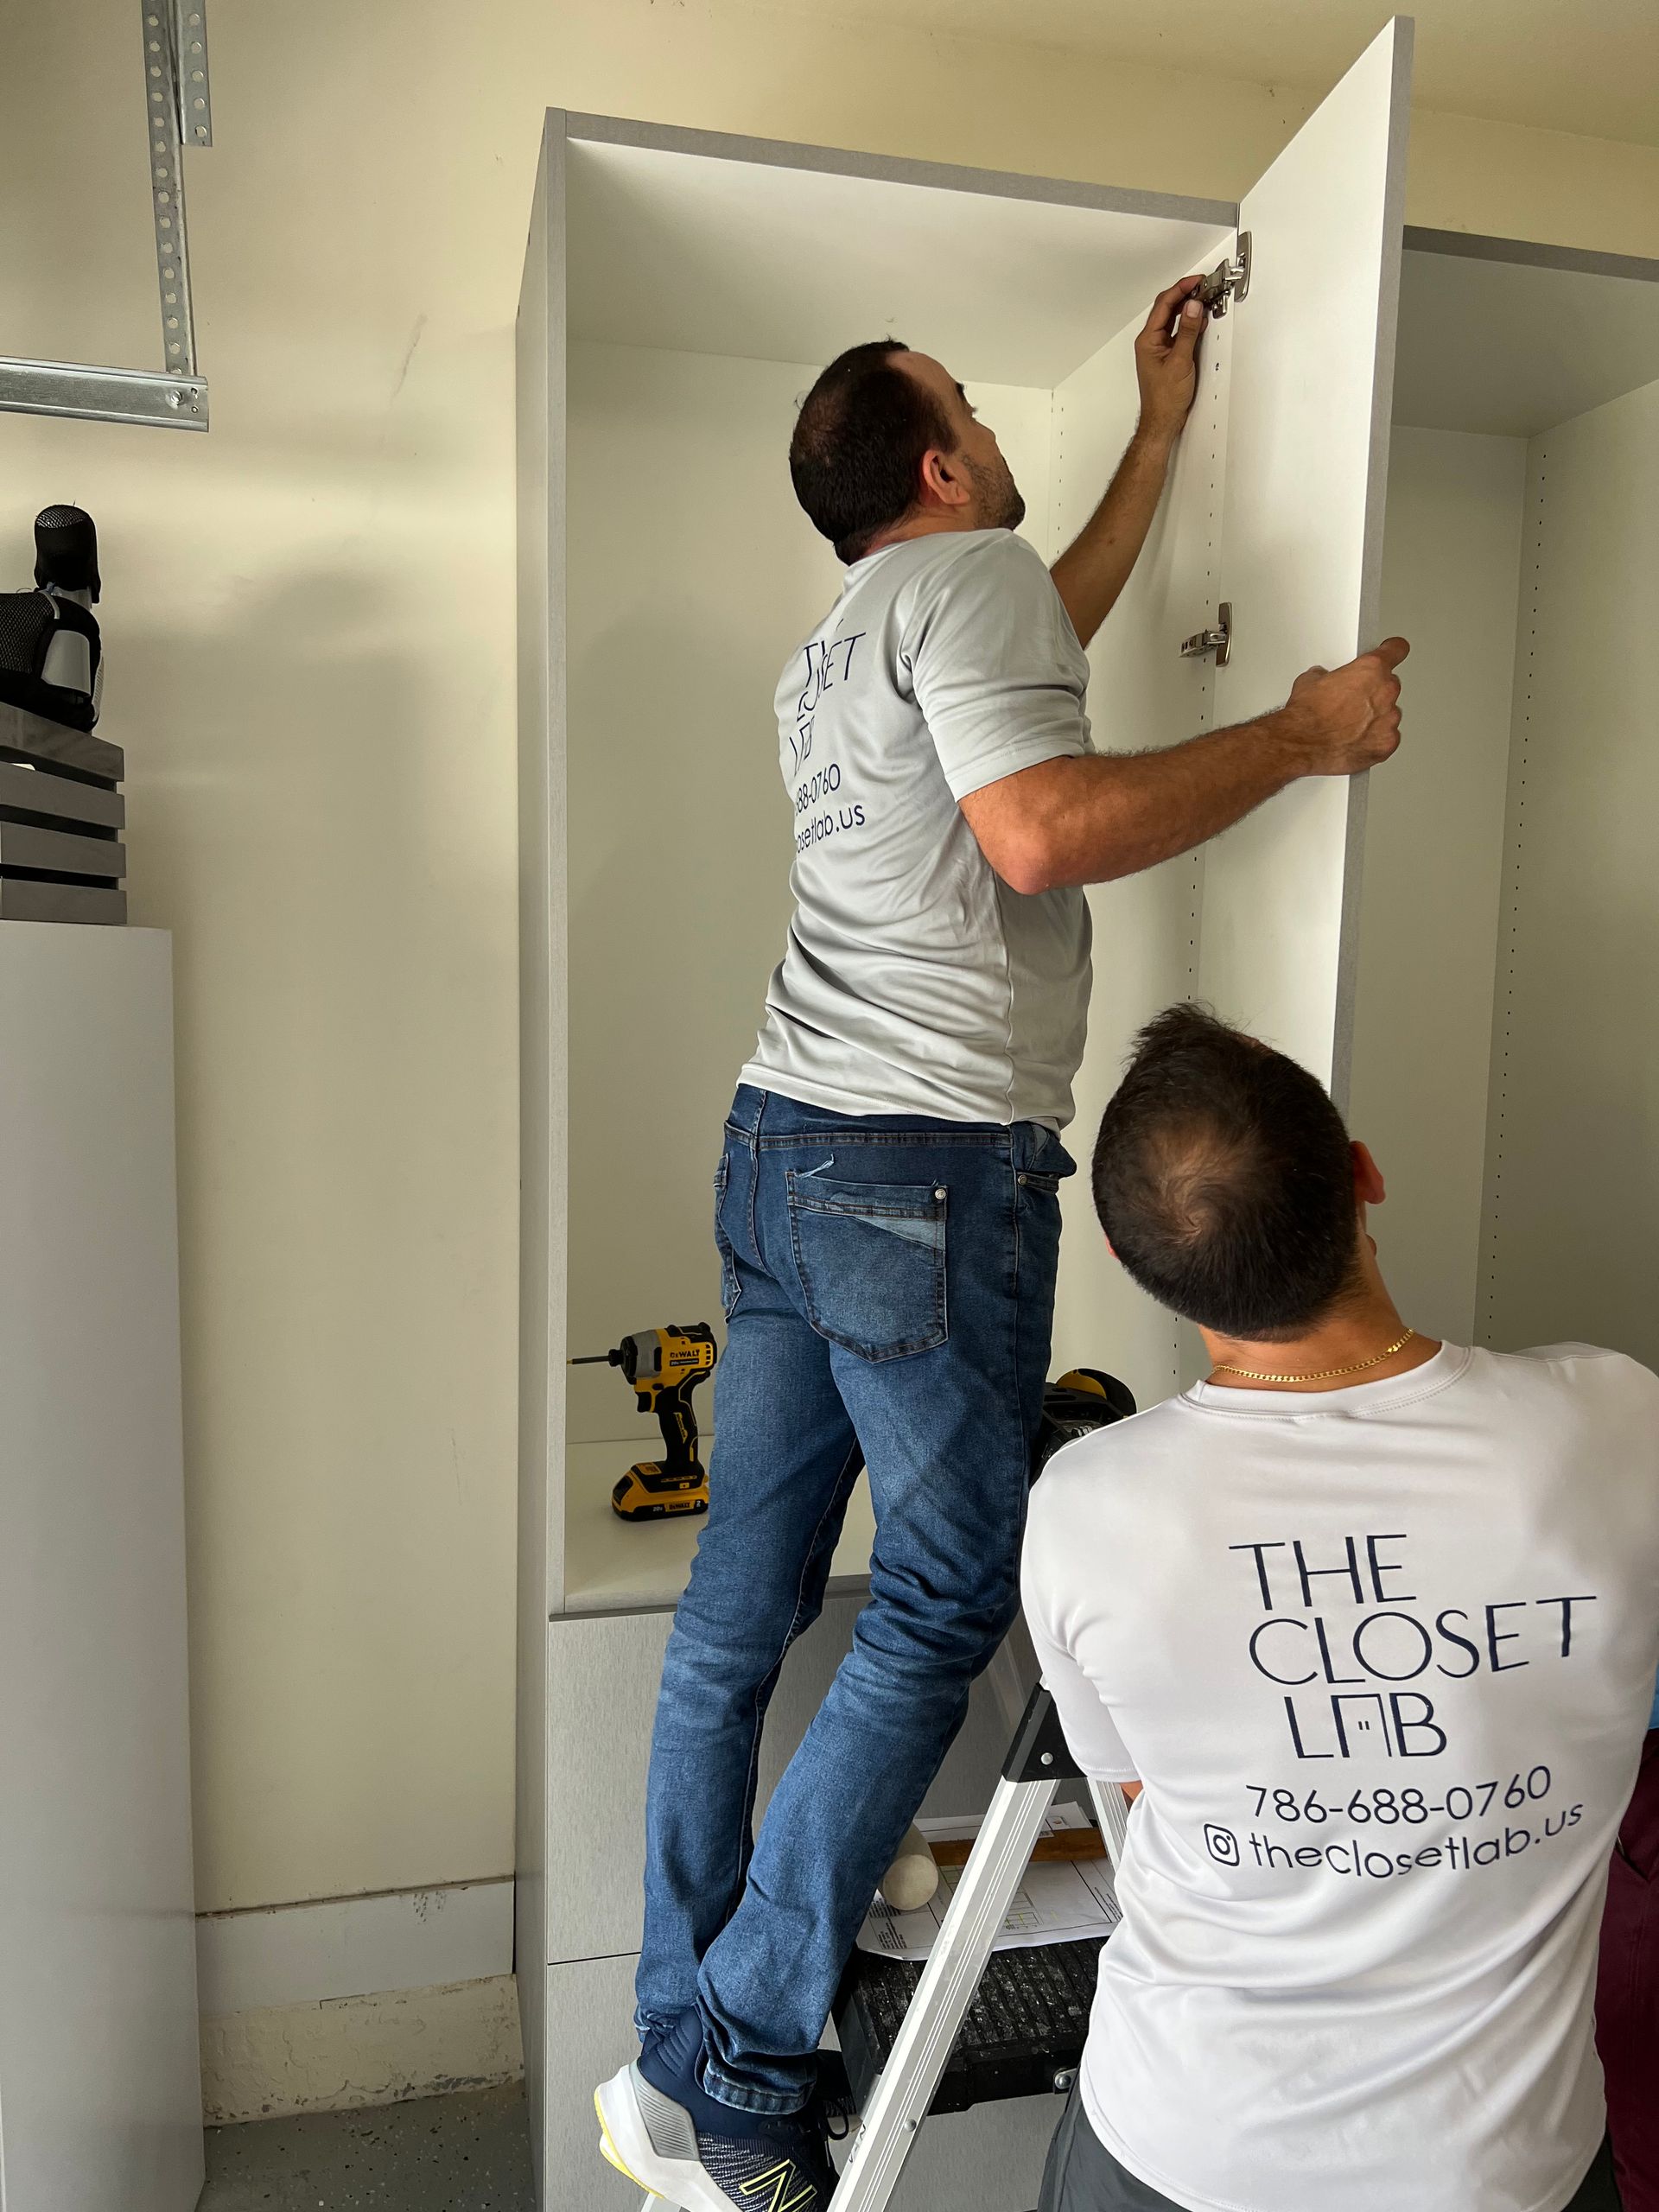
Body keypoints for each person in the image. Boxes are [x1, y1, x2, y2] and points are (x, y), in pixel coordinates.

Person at [595, 279, 1409, 2212]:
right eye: (967, 398)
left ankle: (669, 2042)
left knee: (741, 1607)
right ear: (948, 459)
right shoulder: (970, 596)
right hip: (921, 1166)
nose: (981, 411)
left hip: (781, 1140)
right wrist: (1300, 736)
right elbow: (1037, 831)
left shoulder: (864, 630)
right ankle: (750, 2050)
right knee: (950, 1595)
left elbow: (1040, 640)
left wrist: (1153, 437)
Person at [1022, 1004, 1659, 2212]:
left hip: (1179, 2149)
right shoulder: (1620, 1425)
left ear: (1134, 1263)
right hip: (1496, 2173)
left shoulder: (1087, 1508)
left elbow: (1140, 1781)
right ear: (1364, 1176)